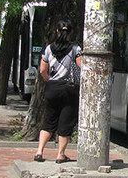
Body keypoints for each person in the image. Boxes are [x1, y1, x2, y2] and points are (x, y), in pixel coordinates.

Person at [34, 21, 82, 164]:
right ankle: (60, 155)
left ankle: (39, 152)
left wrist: (49, 81)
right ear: (70, 32)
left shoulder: (49, 49)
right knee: (65, 122)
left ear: (57, 31)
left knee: (49, 120)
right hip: (69, 89)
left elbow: (42, 70)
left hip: (53, 88)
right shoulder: (75, 48)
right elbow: (82, 66)